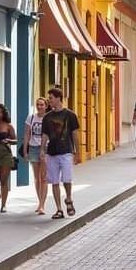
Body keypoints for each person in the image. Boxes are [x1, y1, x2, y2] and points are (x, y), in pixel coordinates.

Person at [41, 87, 81, 219]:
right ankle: (59, 209)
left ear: (58, 98)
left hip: (66, 151)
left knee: (67, 179)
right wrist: (42, 149)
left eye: (51, 98)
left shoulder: (70, 115)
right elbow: (45, 134)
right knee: (54, 181)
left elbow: (75, 134)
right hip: (52, 152)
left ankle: (69, 198)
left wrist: (77, 152)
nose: (49, 100)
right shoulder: (47, 117)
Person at [23, 97, 49, 215]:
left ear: (46, 106)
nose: (39, 107)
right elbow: (27, 134)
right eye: (38, 104)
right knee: (36, 178)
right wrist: (25, 150)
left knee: (44, 177)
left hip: (45, 148)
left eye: (42, 105)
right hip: (33, 148)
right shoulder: (31, 117)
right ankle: (40, 202)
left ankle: (42, 204)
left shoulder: (48, 118)